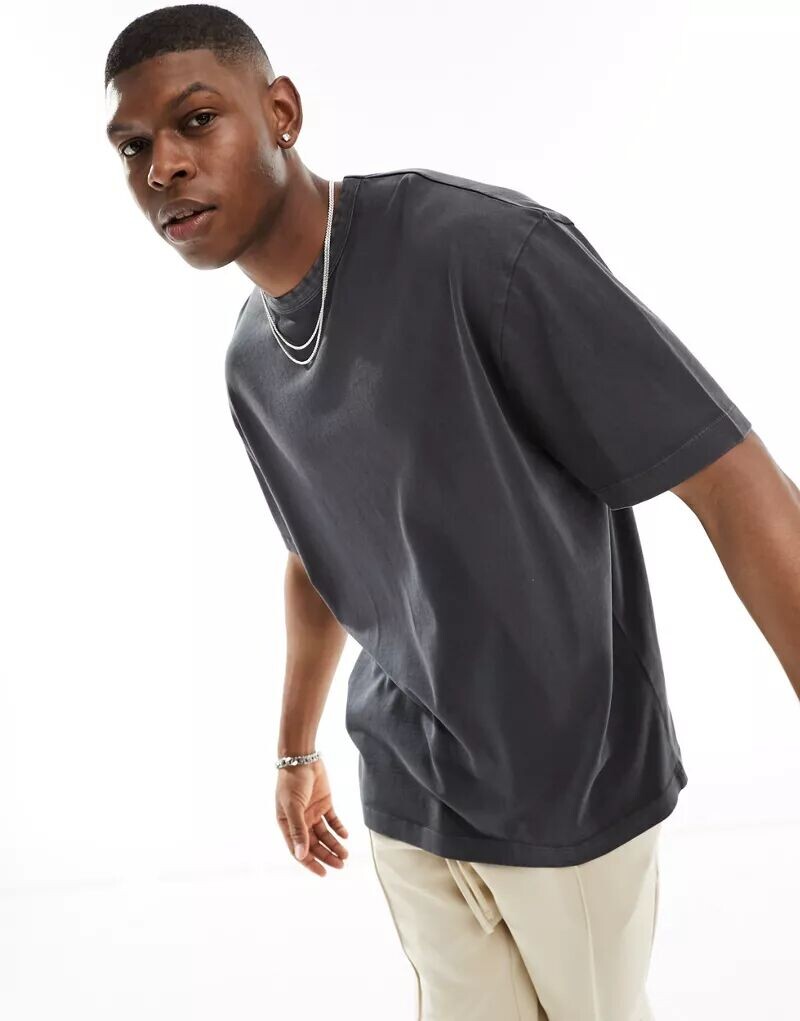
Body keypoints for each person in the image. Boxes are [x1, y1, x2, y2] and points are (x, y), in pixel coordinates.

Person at [104, 6, 800, 1019]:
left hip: (568, 790)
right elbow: (318, 554)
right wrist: (295, 751)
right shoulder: (252, 360)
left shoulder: (480, 250)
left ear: (281, 112)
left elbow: (733, 479)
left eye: (196, 121)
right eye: (132, 147)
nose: (162, 166)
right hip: (408, 792)